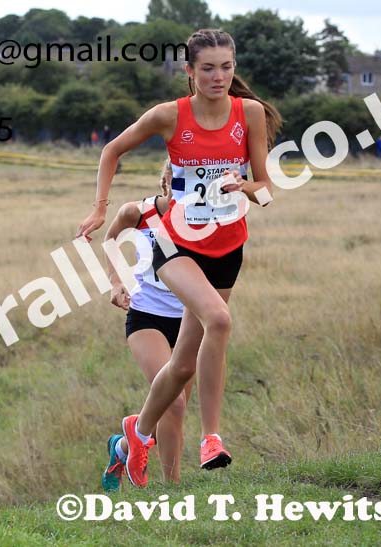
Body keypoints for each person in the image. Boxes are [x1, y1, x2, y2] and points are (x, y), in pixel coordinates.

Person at [76, 28, 281, 487]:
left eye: (226, 67)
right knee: (219, 320)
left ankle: (134, 435)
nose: (218, 77)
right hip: (177, 246)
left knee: (184, 365)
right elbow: (111, 150)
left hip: (228, 247)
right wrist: (100, 208)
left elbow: (267, 192)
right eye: (207, 68)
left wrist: (245, 186)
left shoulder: (249, 114)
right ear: (189, 71)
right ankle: (212, 439)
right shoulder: (169, 115)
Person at [101, 159, 192, 490]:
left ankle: (123, 449)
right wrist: (115, 283)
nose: (182, 186)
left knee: (171, 407)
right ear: (165, 180)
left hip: (190, 321)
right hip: (146, 316)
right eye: (176, 178)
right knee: (173, 403)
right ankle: (172, 489)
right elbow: (109, 241)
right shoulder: (137, 213)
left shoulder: (205, 218)